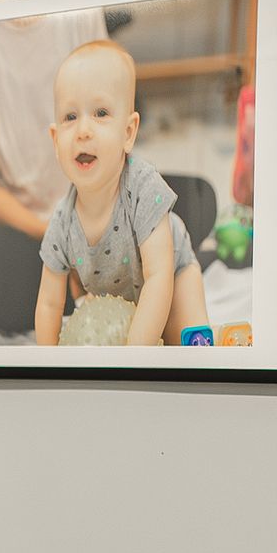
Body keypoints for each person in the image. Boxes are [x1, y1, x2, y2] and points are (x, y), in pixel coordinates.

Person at [34, 38, 209, 348]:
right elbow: (49, 304)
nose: (83, 130)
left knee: (187, 346)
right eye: (70, 117)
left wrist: (135, 354)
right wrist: (47, 364)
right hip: (117, 298)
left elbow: (158, 276)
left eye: (100, 113)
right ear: (55, 139)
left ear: (128, 133)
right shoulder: (62, 221)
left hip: (172, 274)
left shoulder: (142, 187)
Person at [0, 5, 105, 333]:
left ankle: (91, 285)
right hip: (20, 228)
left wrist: (95, 231)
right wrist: (62, 241)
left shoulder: (79, 11)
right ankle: (82, 288)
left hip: (90, 207)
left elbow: (107, 128)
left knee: (188, 202)